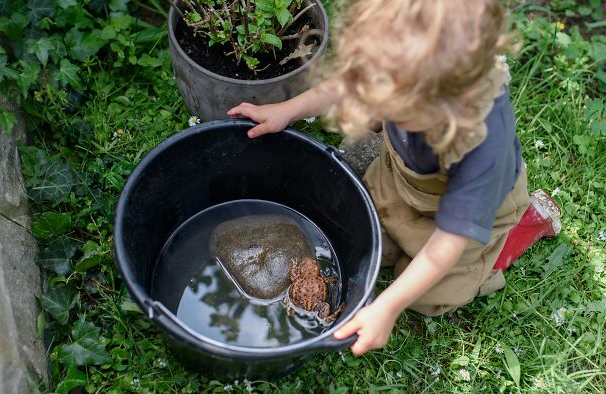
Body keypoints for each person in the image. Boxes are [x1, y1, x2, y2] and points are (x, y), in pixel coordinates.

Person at [227, 0, 562, 355]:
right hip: (402, 183)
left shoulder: (481, 147)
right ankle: (401, 225)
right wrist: (286, 112)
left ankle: (519, 232)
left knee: (428, 293)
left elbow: (444, 247)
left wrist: (387, 306)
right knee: (365, 246)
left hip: (461, 220)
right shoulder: (400, 65)